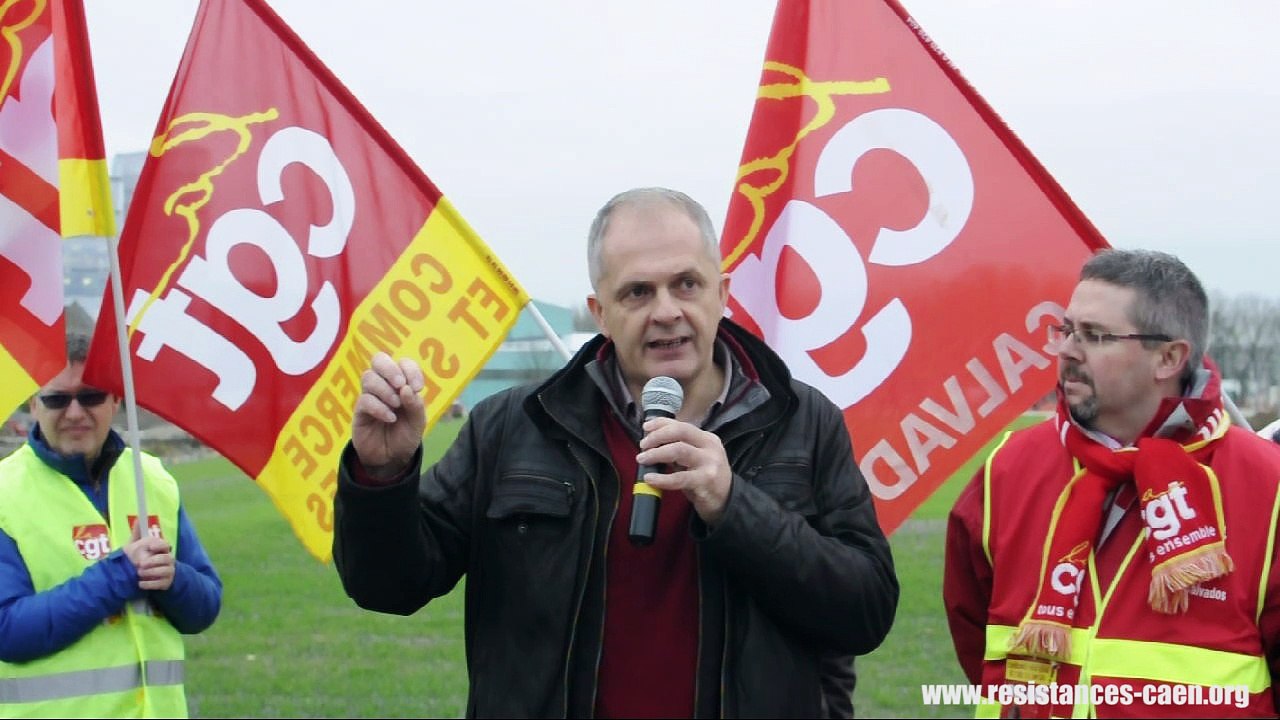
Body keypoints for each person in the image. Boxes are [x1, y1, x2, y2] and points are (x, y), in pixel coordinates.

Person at [333, 187, 898, 717]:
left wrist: (733, 506)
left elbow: (865, 610)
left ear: (723, 294)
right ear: (599, 313)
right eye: (637, 292)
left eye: (686, 284)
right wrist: (383, 475)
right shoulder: (513, 427)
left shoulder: (801, 420)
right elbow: (388, 586)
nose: (667, 311)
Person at [944, 249, 1280, 716]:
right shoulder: (1009, 468)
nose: (1067, 350)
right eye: (1066, 330)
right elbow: (972, 630)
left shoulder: (1267, 484)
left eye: (1094, 336)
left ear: (1169, 357)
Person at [0, 334, 222, 717]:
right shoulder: (5, 492)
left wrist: (173, 579)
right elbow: (8, 631)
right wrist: (121, 573)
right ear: (33, 405)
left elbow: (205, 608)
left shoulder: (152, 478)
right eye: (57, 399)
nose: (74, 413)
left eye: (91, 397)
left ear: (116, 400)